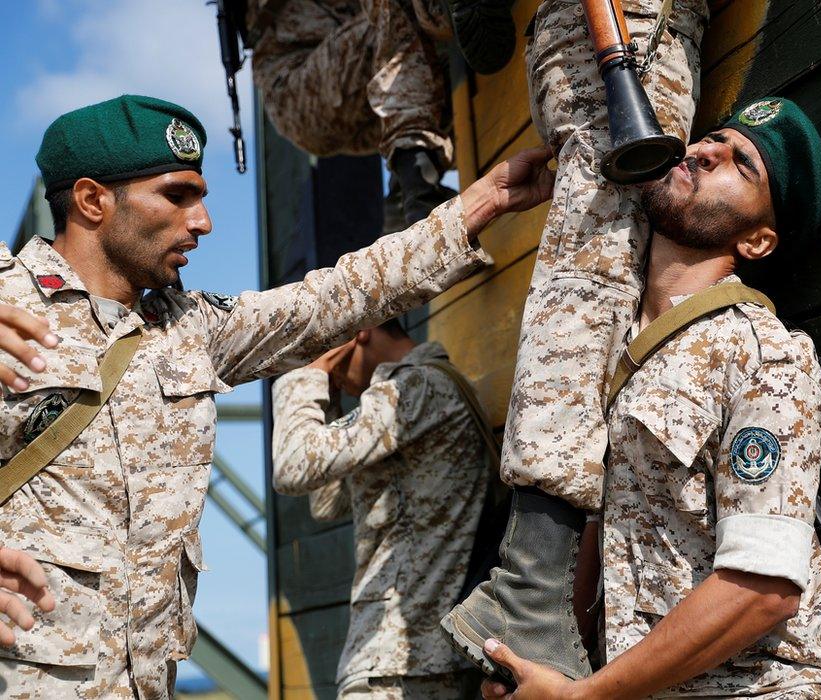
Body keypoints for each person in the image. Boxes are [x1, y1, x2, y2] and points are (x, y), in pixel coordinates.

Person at [0, 93, 553, 698]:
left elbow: (335, 297)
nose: (203, 221)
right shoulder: (8, 308)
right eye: (177, 195)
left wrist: (479, 203)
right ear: (91, 200)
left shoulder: (191, 330)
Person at [475, 98, 821, 698]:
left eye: (742, 164)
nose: (705, 151)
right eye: (712, 138)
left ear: (759, 241)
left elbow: (761, 590)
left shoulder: (767, 357)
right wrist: (543, 668)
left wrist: (585, 698)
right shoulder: (606, 349)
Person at [443, 0, 709, 681]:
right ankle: (528, 590)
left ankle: (534, 586)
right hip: (625, 26)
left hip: (622, 28)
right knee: (603, 246)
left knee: (607, 257)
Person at [272, 319, 491, 698]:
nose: (326, 368)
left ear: (360, 329)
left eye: (322, 348)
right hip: (410, 659)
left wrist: (307, 378)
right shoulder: (420, 392)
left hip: (400, 662)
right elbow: (327, 502)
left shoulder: (415, 389)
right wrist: (331, 398)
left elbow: (292, 466)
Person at [250, 0, 514, 228]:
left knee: (429, 80)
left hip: (355, 103)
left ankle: (406, 199)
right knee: (399, 14)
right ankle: (417, 187)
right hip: (301, 86)